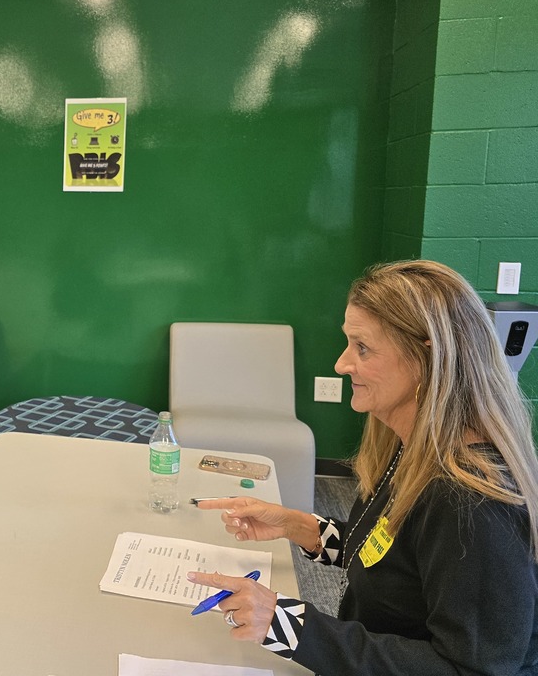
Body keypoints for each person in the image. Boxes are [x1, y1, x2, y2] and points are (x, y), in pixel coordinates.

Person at [190, 259, 538, 675]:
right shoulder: (413, 447)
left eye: (363, 347)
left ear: (425, 357)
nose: (341, 364)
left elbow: (471, 669)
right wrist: (297, 526)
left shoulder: (470, 502)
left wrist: (285, 624)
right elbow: (393, 558)